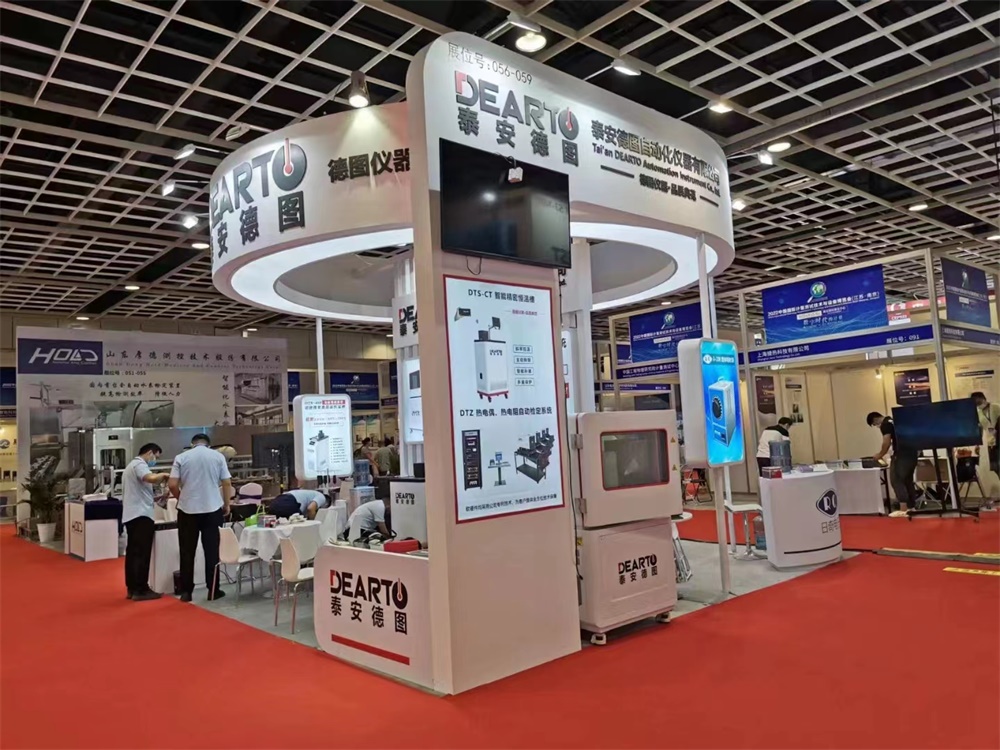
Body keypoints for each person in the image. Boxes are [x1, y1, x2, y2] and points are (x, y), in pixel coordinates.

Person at [168, 434, 232, 602]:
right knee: (212, 551)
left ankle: (186, 592)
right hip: (212, 508)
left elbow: (172, 484)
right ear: (208, 445)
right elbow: (226, 483)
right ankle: (213, 590)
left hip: (187, 511)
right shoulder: (218, 456)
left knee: (187, 551)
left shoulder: (181, 457)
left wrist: (181, 497)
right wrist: (227, 504)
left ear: (192, 444)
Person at [122, 443, 170, 601]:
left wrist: (160, 497)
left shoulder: (131, 466)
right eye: (156, 456)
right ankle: (141, 589)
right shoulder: (139, 465)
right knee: (141, 554)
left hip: (133, 515)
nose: (155, 460)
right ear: (150, 453)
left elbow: (142, 493)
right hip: (141, 516)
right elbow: (150, 478)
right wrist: (164, 475)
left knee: (133, 554)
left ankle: (132, 588)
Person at [867, 411, 918, 517]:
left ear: (875, 419)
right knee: (908, 480)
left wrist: (880, 454)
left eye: (875, 424)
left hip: (901, 454)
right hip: (912, 453)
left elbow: (886, 442)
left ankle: (903, 509)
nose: (877, 426)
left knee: (896, 479)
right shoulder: (894, 420)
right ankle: (911, 507)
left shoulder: (885, 424)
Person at [971, 392, 1000, 473]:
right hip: (991, 443)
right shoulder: (979, 413)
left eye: (977, 401)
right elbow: (980, 428)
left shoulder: (995, 407)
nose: (977, 404)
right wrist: (977, 444)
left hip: (999, 439)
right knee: (996, 468)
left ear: (982, 398)